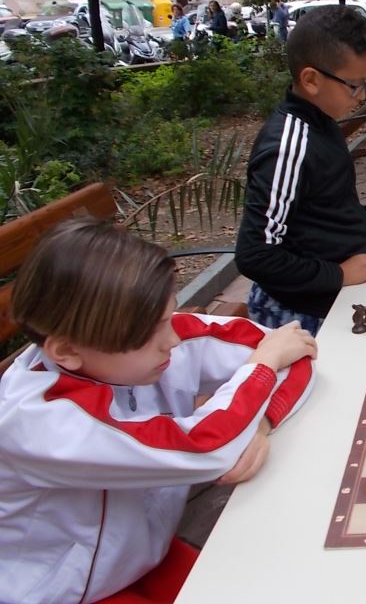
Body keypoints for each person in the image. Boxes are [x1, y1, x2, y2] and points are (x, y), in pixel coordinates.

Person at [0, 218, 317, 604]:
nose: (174, 340)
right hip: (57, 592)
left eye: (169, 316)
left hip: (144, 555)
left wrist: (261, 423)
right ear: (66, 351)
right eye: (153, 331)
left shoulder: (138, 339)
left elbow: (293, 348)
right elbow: (208, 445)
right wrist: (262, 369)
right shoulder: (40, 422)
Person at [235, 6, 366, 335]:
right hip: (298, 312)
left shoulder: (322, 121)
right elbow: (255, 255)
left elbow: (331, 203)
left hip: (338, 294)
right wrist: (338, 273)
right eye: (353, 85)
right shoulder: (287, 147)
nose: (362, 95)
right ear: (311, 80)